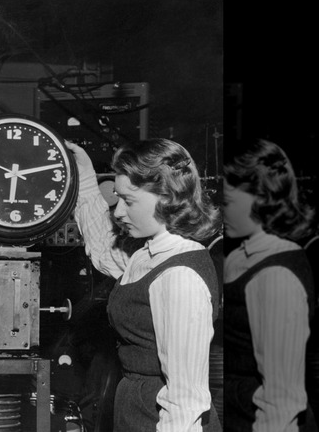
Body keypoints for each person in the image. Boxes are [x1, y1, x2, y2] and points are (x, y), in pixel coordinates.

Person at [66, 138, 221, 431]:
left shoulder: (180, 277)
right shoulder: (146, 255)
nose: (119, 212)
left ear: (166, 197)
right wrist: (85, 179)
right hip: (137, 411)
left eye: (129, 201)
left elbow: (185, 400)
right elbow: (104, 250)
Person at [222, 138, 315, 432]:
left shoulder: (276, 276)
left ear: (261, 197)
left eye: (227, 202)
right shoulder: (238, 254)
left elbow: (281, 403)